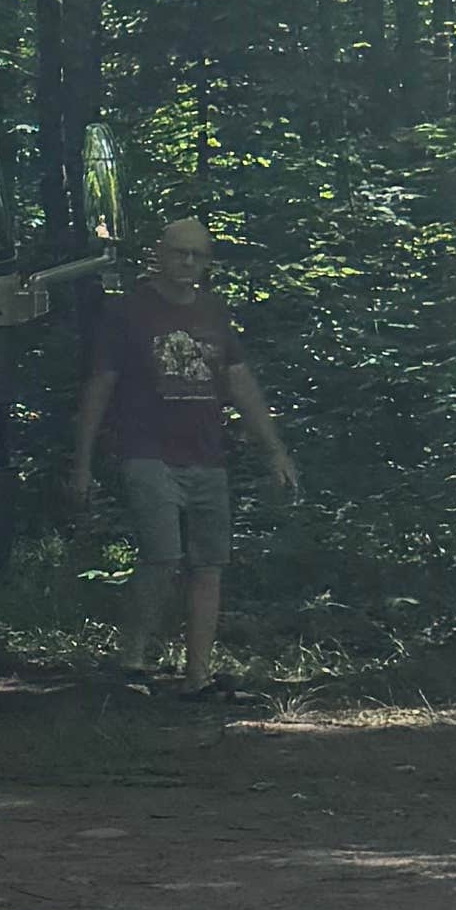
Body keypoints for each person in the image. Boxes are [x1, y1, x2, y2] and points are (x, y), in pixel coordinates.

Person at [66, 212, 299, 695]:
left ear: (207, 262)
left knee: (209, 563)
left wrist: (274, 450)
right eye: (180, 252)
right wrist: (82, 462)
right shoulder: (128, 312)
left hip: (207, 455)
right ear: (160, 254)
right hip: (147, 451)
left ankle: (198, 675)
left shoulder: (213, 311)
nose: (188, 262)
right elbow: (100, 386)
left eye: (198, 255)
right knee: (162, 556)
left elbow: (239, 382)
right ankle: (131, 662)